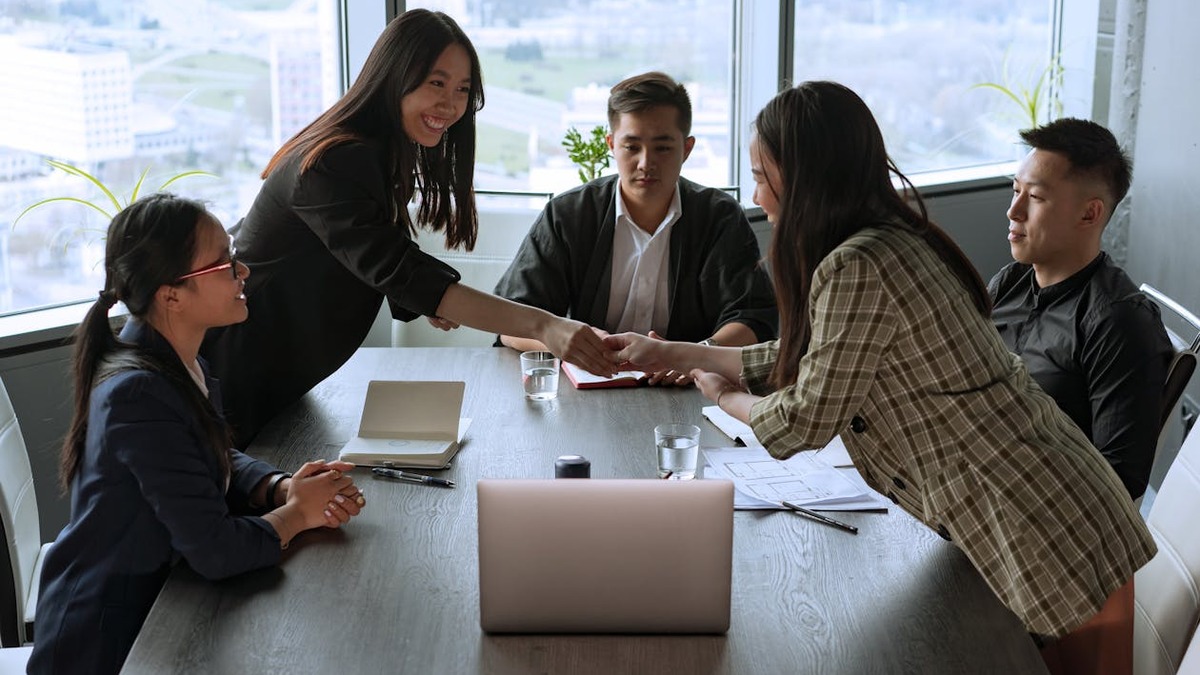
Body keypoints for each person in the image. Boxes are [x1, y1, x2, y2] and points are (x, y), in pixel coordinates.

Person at [607, 82, 1155, 675]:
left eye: (762, 175)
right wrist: (690, 355)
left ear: (802, 176)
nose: (757, 193)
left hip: (1049, 530)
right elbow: (815, 359)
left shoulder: (857, 264)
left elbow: (801, 422)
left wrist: (723, 395)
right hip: (1036, 516)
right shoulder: (886, 242)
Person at [201, 9, 616, 448]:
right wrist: (546, 326)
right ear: (394, 75)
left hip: (275, 384)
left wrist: (426, 299)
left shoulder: (377, 154)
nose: (451, 105)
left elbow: (381, 254)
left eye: (462, 90)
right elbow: (398, 268)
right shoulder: (337, 161)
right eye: (436, 83)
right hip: (227, 384)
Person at [27, 194, 365, 675]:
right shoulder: (138, 392)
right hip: (109, 642)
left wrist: (280, 487)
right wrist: (296, 515)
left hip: (163, 609)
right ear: (172, 295)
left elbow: (207, 453)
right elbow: (216, 550)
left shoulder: (177, 362)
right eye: (224, 262)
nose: (241, 270)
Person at [493, 71, 777, 385]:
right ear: (612, 144)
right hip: (587, 394)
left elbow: (753, 319)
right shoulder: (570, 214)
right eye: (631, 147)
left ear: (687, 148)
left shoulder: (719, 217)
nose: (645, 162)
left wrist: (694, 355)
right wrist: (571, 344)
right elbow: (510, 320)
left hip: (692, 391)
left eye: (663, 148)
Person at [989, 118, 1172, 501]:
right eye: (1015, 191)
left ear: (1089, 214)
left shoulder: (1118, 322)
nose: (1014, 211)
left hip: (1041, 525)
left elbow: (1118, 480)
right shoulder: (1010, 282)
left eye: (1035, 198)